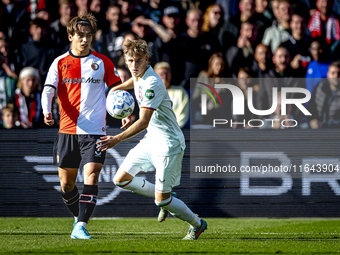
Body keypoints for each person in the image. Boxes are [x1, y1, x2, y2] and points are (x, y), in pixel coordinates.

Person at [97, 38, 207, 240]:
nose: (133, 65)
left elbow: (144, 121)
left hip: (168, 144)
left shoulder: (152, 83)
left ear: (146, 59)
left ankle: (197, 223)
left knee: (161, 201)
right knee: (120, 180)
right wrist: (119, 98)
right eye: (130, 60)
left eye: (138, 60)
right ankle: (167, 197)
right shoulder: (138, 74)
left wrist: (116, 140)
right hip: (151, 140)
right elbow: (129, 83)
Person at [41, 12, 122, 239]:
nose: (85, 39)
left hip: (95, 131)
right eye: (80, 35)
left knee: (92, 175)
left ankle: (81, 226)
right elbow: (48, 90)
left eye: (88, 35)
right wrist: (47, 111)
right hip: (67, 131)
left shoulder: (102, 62)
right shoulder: (59, 63)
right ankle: (79, 218)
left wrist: (126, 112)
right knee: (66, 185)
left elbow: (116, 90)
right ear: (70, 36)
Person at [154, 62, 189, 128]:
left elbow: (182, 115)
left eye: (166, 73)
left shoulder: (180, 92)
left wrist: (174, 128)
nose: (164, 76)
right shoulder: (151, 93)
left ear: (170, 75)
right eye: (161, 74)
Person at [308, 61, 340, 128]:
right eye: (333, 73)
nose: (336, 76)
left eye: (339, 73)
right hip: (316, 127)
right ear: (328, 74)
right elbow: (311, 107)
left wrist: (323, 124)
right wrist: (312, 120)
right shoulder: (320, 87)